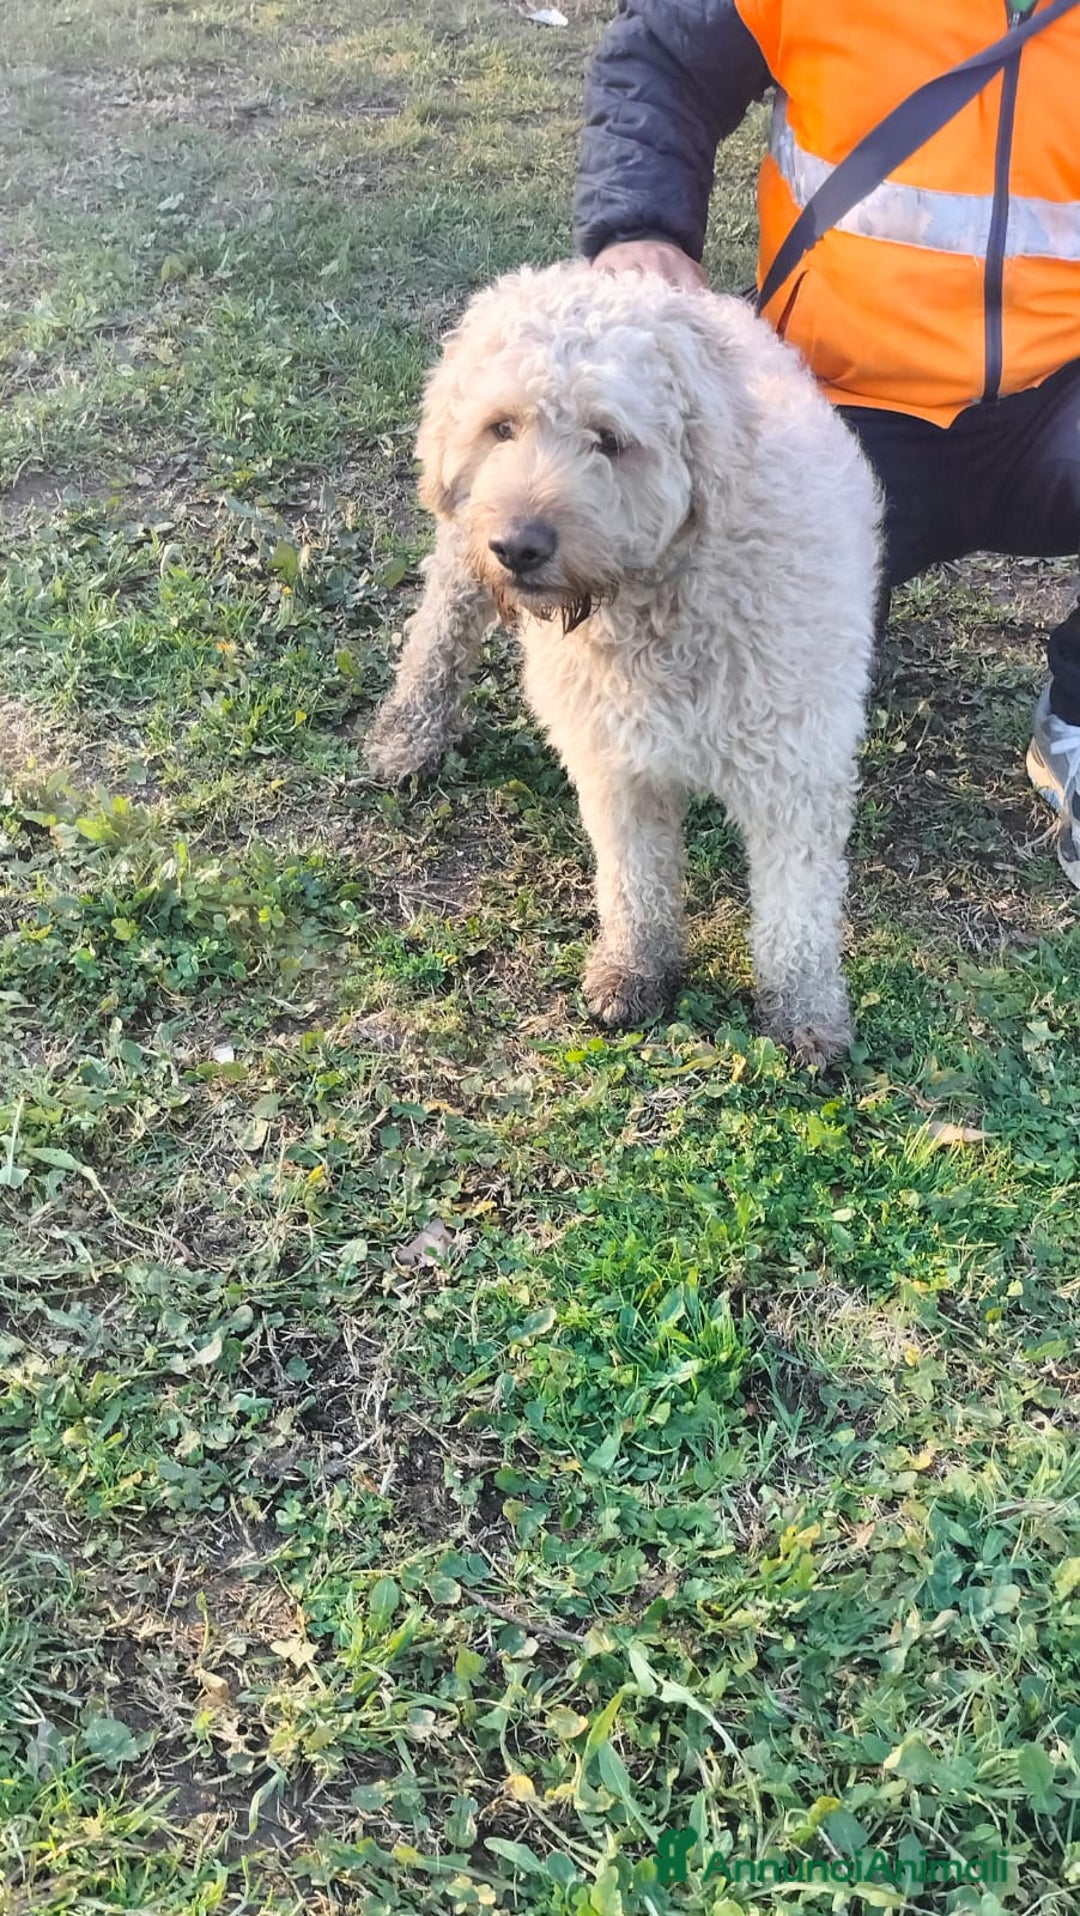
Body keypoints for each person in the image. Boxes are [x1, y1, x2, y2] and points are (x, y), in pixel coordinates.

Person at [574, 0, 1080, 888]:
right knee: (760, 681)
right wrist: (641, 225)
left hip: (1059, 395)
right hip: (838, 404)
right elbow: (661, 55)